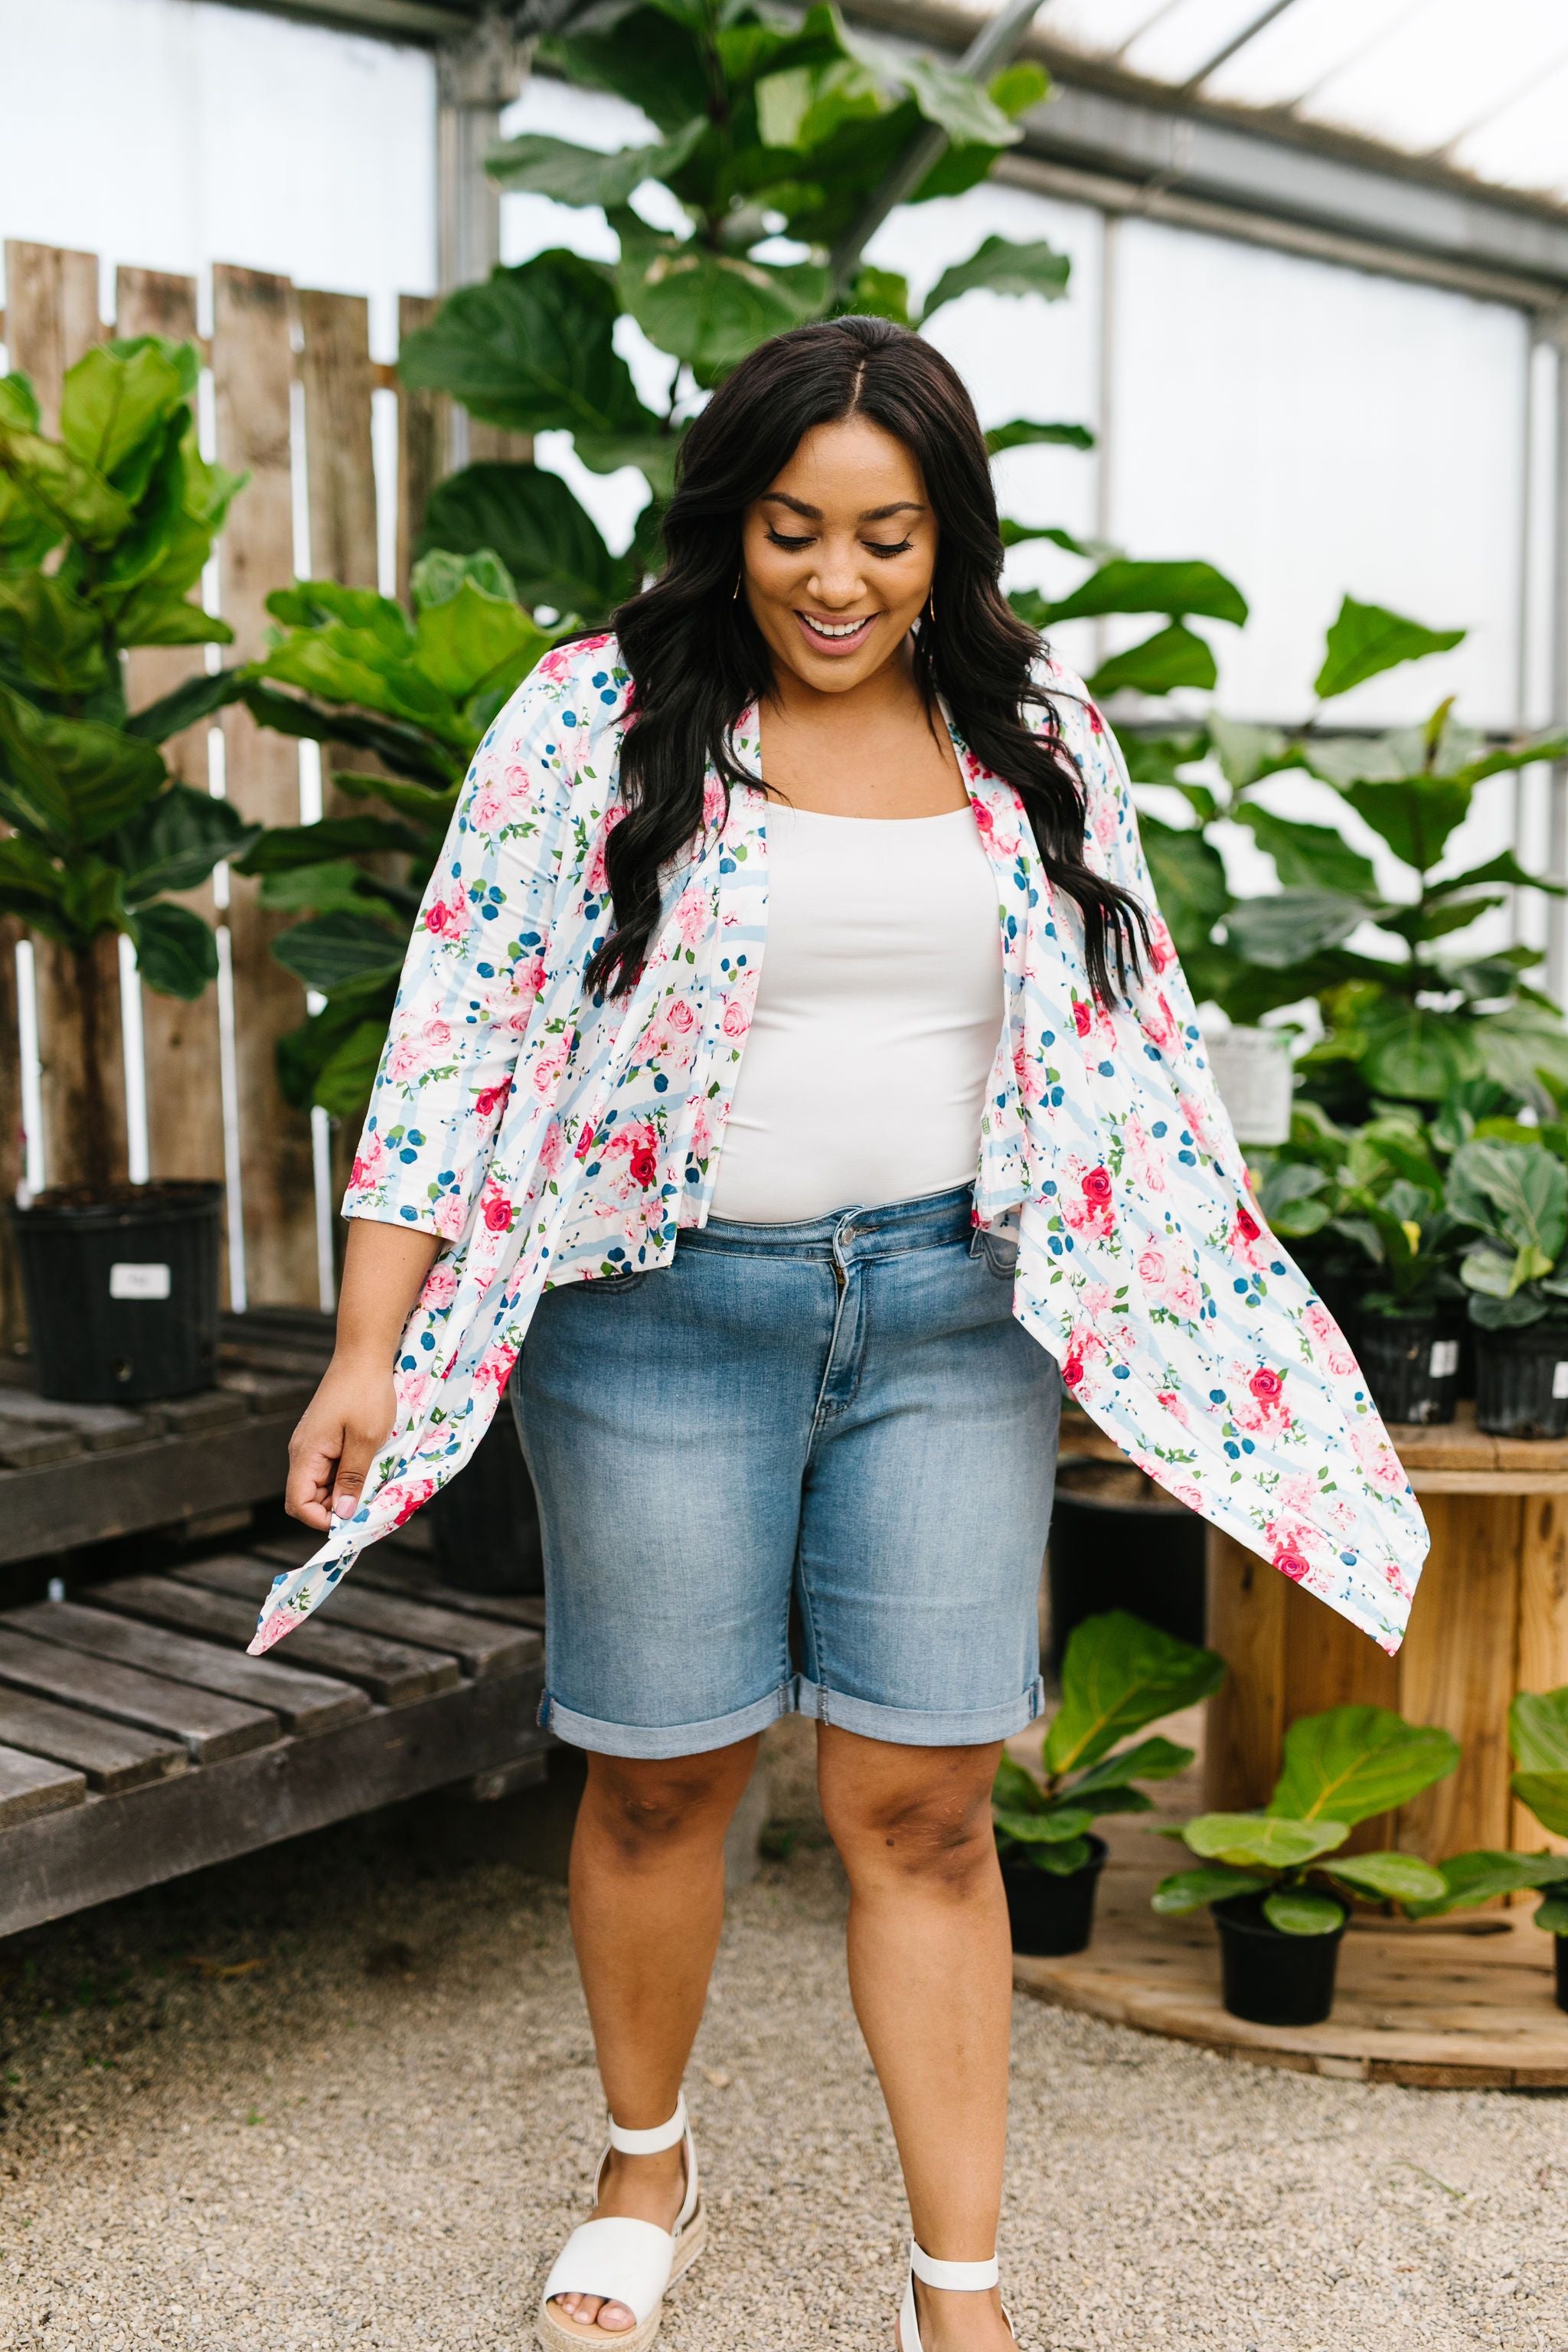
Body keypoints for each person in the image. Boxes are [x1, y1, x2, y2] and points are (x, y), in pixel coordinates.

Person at [274, 316, 1427, 2352]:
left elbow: (1135, 1060)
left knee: (926, 1807)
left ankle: (955, 2289)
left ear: (946, 542)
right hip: (650, 1320)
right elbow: (455, 1039)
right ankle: (647, 2170)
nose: (836, 581)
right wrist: (370, 1349)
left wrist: (1201, 1344)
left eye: (886, 538)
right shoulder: (591, 723)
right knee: (659, 1782)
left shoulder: (1043, 741)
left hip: (945, 1320)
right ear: (730, 526)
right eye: (794, 530)